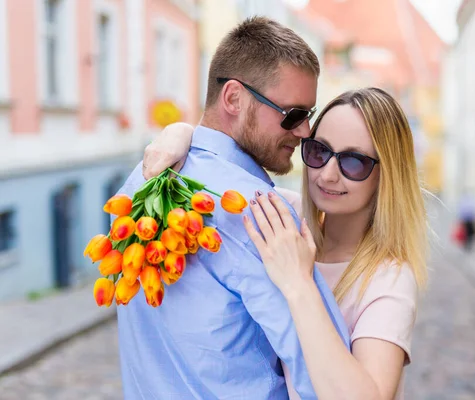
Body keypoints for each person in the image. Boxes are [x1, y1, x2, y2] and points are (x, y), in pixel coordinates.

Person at [116, 17, 350, 399]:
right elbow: (326, 378)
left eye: (309, 114)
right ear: (233, 98)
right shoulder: (261, 216)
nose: (305, 131)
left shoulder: (137, 186)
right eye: (293, 115)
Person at [146, 88, 429, 399]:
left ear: (387, 173)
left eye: (353, 162)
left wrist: (299, 283)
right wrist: (178, 133)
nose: (328, 175)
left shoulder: (388, 278)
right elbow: (218, 161)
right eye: (319, 152)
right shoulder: (285, 216)